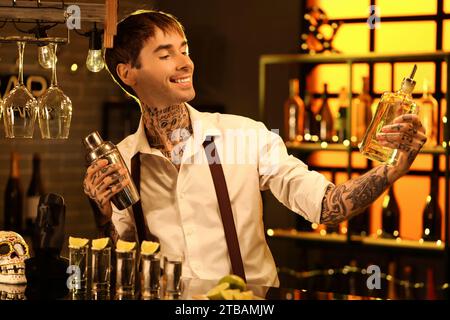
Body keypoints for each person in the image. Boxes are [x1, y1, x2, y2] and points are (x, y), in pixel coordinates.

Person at [83, 10, 426, 287]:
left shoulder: (246, 137)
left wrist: (395, 167)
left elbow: (325, 207)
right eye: (165, 54)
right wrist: (101, 215)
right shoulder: (124, 159)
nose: (185, 63)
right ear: (128, 73)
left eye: (184, 50)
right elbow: (121, 262)